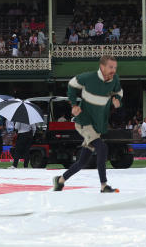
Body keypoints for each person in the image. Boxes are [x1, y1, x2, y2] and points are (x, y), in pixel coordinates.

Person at [53, 55, 123, 193]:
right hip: (84, 122)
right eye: (110, 67)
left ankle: (60, 180)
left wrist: (117, 99)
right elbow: (71, 85)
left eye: (115, 67)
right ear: (102, 67)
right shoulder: (88, 78)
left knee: (82, 162)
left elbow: (118, 91)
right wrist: (73, 105)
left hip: (96, 125)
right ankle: (104, 186)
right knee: (102, 148)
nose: (113, 70)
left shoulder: (114, 79)